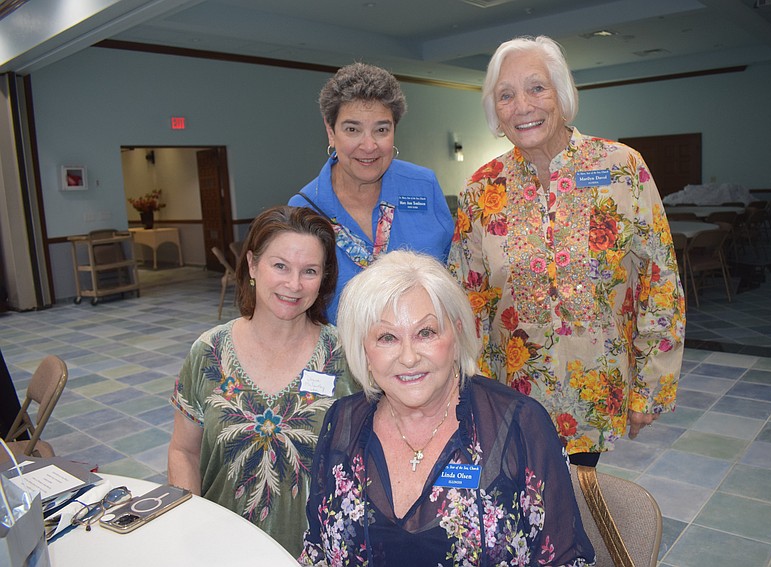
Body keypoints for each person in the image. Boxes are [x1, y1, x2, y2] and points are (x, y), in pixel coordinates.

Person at [449, 36, 685, 468]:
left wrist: (650, 387)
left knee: (575, 508)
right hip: (510, 398)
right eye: (507, 95)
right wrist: (469, 395)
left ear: (562, 93)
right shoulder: (482, 188)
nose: (523, 105)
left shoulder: (622, 168)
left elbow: (660, 281)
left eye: (537, 87)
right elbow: (467, 299)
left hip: (594, 393)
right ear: (495, 112)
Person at [300, 250, 595, 566]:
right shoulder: (344, 422)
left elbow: (563, 559)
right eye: (387, 337)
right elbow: (318, 551)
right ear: (364, 350)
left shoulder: (520, 424)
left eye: (425, 333)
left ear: (455, 334)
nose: (409, 357)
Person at [167, 205, 359, 555]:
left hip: (317, 553)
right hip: (220, 549)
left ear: (324, 278)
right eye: (280, 266)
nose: (294, 284)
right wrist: (188, 527)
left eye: (310, 271)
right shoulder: (209, 353)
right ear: (253, 264)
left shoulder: (348, 357)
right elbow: (184, 451)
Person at [289, 62, 454, 322]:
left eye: (381, 129)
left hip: (422, 352)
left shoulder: (423, 185)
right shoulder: (304, 209)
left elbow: (453, 275)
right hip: (343, 358)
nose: (369, 145)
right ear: (330, 131)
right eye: (352, 129)